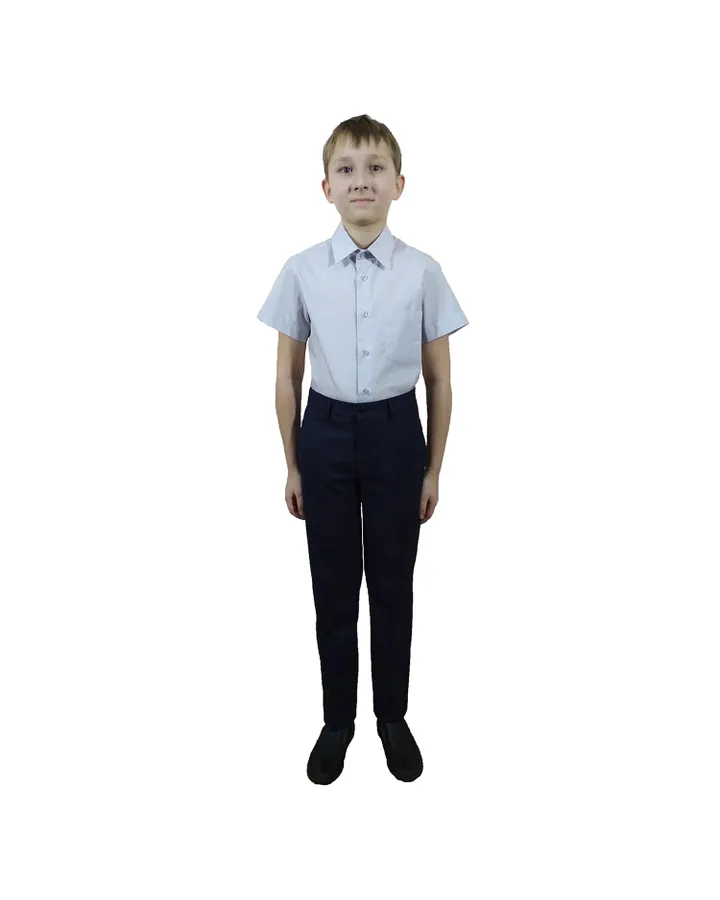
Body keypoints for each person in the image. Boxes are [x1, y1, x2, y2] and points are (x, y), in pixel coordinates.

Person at [256, 114, 469, 785]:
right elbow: (287, 375)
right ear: (326, 187)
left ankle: (392, 717)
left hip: (396, 435)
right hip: (324, 434)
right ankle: (337, 722)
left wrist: (433, 468)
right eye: (346, 169)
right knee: (333, 585)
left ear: (399, 183)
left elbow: (440, 379)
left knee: (393, 584)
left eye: (376, 168)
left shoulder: (424, 272)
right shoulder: (300, 270)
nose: (361, 181)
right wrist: (292, 462)